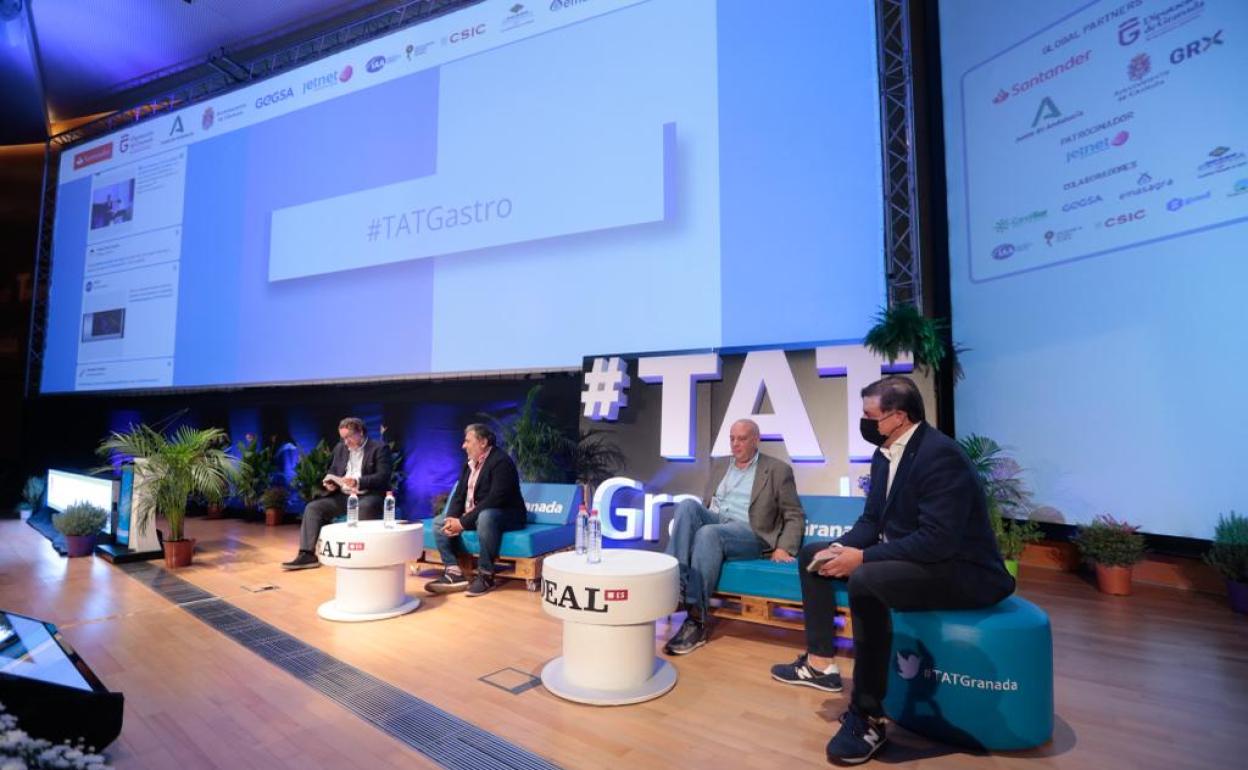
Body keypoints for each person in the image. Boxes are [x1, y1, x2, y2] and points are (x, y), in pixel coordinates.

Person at [770, 376, 1014, 765]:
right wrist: (842, 548)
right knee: (815, 556)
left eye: (870, 415)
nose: (864, 423)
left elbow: (937, 541)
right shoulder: (884, 454)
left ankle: (867, 716)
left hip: (963, 570)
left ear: (898, 416)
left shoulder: (941, 456)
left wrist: (863, 559)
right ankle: (819, 664)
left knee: (867, 579)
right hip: (920, 558)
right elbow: (872, 521)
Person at [663, 418, 805, 655]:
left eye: (742, 439)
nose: (735, 444)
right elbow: (708, 504)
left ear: (756, 440)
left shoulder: (777, 470)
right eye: (732, 439)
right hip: (718, 521)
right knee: (687, 505)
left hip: (750, 532)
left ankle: (696, 619)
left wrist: (784, 547)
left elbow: (794, 514)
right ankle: (671, 587)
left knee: (708, 533)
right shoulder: (720, 465)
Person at [424, 423, 527, 597]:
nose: (463, 446)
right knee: (439, 522)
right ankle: (454, 572)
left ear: (483, 442)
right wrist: (451, 518)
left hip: (506, 514)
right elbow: (459, 495)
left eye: (467, 441)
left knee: (486, 517)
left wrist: (462, 523)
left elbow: (495, 499)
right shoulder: (469, 464)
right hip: (477, 514)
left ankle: (486, 575)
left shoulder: (501, 462)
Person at [281, 417, 394, 570]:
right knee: (313, 508)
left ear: (360, 432)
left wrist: (358, 481)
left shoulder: (379, 448)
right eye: (343, 438)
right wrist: (330, 483)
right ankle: (307, 554)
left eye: (348, 437)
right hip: (344, 496)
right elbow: (334, 470)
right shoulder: (340, 448)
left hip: (369, 495)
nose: (346, 442)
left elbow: (383, 476)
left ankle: (360, 555)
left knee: (365, 507)